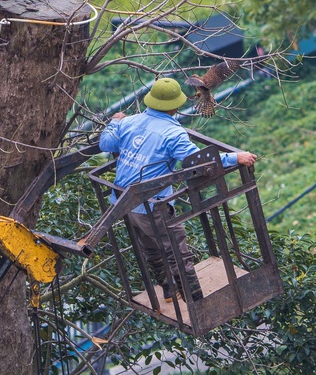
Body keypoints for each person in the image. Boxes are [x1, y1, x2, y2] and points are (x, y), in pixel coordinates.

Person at [99, 78, 257, 303]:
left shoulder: (129, 123)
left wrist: (115, 121)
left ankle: (169, 291)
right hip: (151, 205)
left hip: (123, 202)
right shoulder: (174, 134)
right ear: (175, 105)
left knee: (151, 247)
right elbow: (199, 162)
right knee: (178, 252)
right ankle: (196, 302)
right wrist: (235, 157)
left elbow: (105, 144)